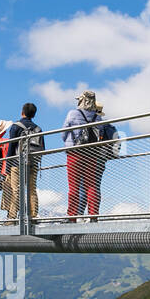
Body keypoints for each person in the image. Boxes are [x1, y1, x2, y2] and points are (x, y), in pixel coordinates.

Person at [63, 91, 106, 221]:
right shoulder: (98, 118)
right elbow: (101, 133)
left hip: (75, 153)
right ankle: (93, 216)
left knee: (74, 186)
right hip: (92, 153)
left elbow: (63, 133)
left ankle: (72, 217)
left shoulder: (73, 113)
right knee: (91, 185)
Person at [6, 103, 44, 221]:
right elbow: (42, 148)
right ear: (34, 114)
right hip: (33, 163)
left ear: (22, 112)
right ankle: (33, 215)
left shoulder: (16, 126)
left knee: (16, 190)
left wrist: (7, 166)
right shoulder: (38, 129)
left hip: (17, 163)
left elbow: (11, 147)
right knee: (32, 189)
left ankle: (12, 217)